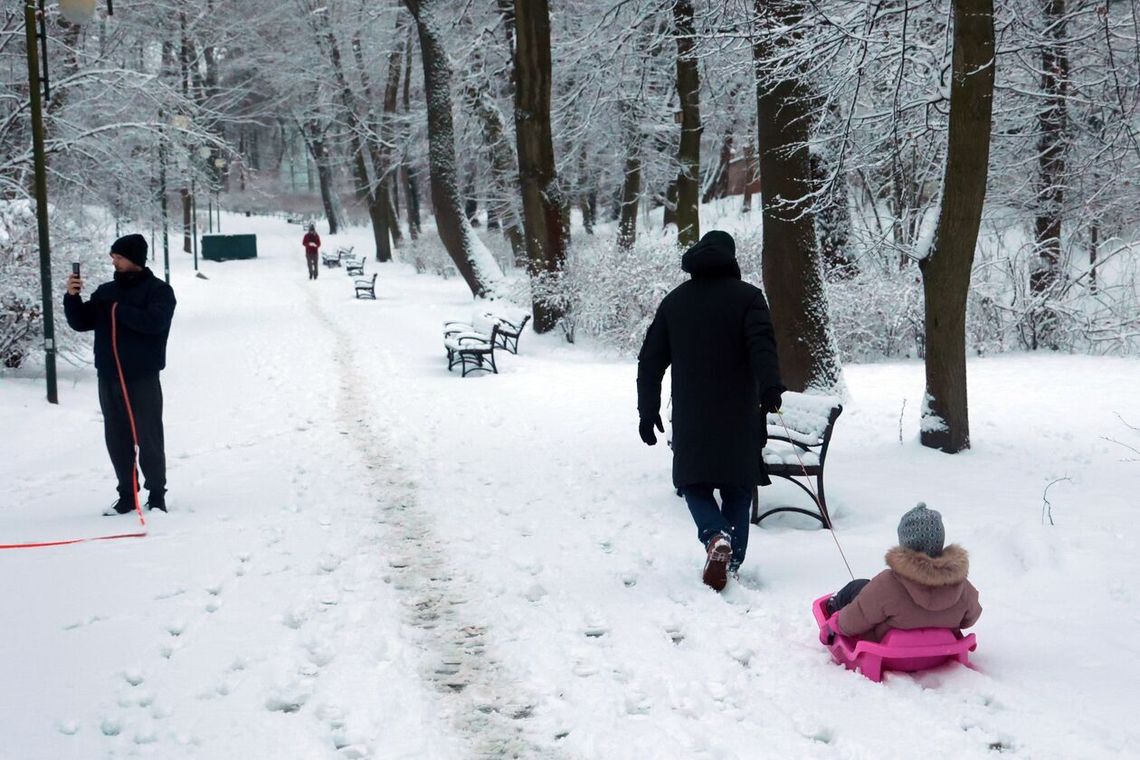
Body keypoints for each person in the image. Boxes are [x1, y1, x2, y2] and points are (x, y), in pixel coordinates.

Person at [636, 230, 784, 591]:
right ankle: (730, 562)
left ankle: (715, 535)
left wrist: (647, 409)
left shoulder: (675, 302)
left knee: (693, 483)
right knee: (738, 486)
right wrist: (770, 387)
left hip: (693, 412)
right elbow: (762, 345)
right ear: (731, 259)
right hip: (738, 412)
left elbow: (651, 360)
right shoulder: (749, 298)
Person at [63, 234, 177, 515]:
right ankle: (127, 493)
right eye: (113, 256)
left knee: (148, 436)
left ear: (134, 259)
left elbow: (154, 323)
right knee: (117, 437)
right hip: (109, 376)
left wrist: (117, 311)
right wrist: (72, 297)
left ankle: (157, 494)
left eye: (119, 256)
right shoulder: (105, 291)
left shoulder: (159, 291)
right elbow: (80, 322)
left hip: (142, 377)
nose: (113, 260)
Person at [821, 503, 982, 644]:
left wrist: (834, 625)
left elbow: (855, 620)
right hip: (939, 651)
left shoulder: (888, 584)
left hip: (891, 654)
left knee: (859, 586)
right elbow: (970, 618)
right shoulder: (960, 584)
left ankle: (832, 607)